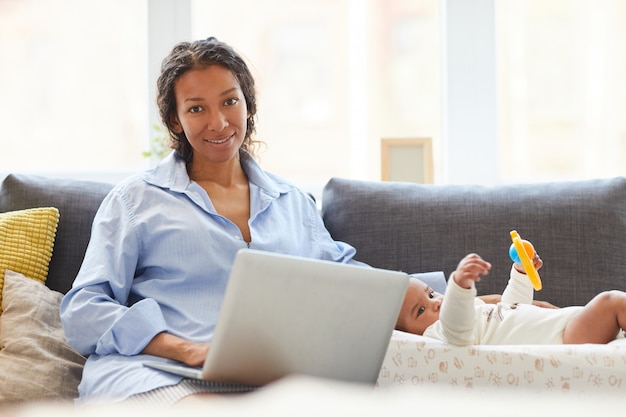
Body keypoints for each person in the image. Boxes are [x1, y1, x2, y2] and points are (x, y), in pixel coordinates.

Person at [59, 37, 366, 405]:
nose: (218, 123)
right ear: (175, 119)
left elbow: (351, 283)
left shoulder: (292, 202)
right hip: (153, 371)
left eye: (229, 102)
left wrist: (437, 294)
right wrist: (183, 349)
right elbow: (83, 309)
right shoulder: (135, 200)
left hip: (269, 377)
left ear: (248, 105)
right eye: (196, 109)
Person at [396, 252, 626, 346]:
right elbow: (455, 319)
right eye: (420, 310)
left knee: (611, 308)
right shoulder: (443, 334)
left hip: (566, 325)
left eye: (431, 293)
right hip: (563, 339)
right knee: (610, 302)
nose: (435, 302)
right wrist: (458, 285)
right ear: (409, 334)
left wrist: (521, 272)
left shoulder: (478, 311)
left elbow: (512, 307)